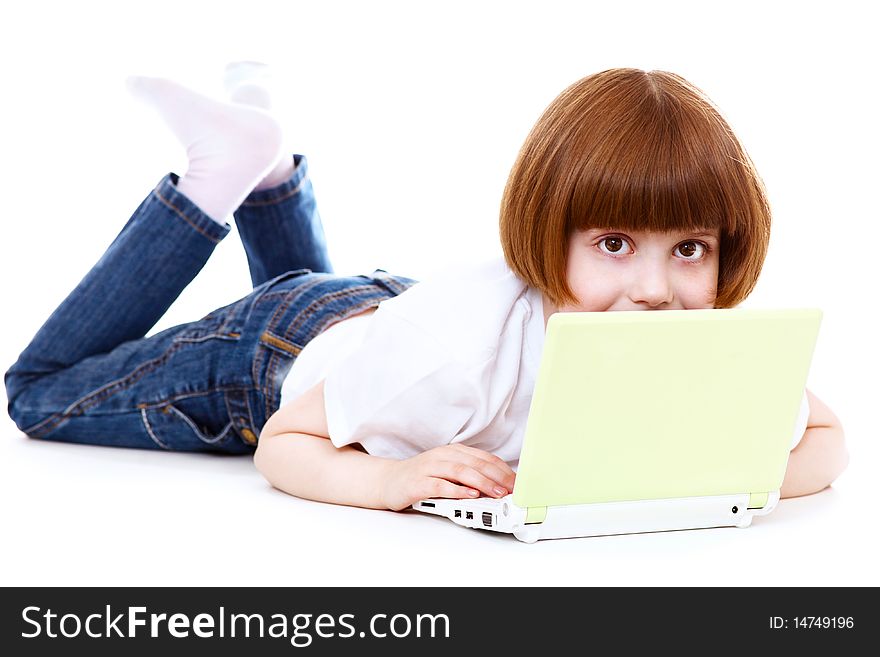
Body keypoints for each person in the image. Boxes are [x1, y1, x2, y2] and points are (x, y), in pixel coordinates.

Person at [5, 65, 848, 513]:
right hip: (274, 355)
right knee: (37, 393)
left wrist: (728, 473)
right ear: (546, 238)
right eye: (617, 243)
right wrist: (386, 484)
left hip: (391, 316)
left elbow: (827, 438)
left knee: (364, 326)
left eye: (691, 248)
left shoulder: (684, 340)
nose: (656, 290)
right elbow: (285, 443)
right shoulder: (457, 359)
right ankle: (216, 177)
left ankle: (270, 164)